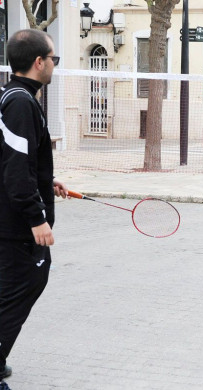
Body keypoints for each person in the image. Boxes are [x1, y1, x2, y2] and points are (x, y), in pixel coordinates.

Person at [0, 29, 68, 390]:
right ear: (38, 62)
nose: (55, 64)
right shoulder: (21, 103)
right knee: (18, 293)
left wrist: (48, 182)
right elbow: (15, 168)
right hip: (16, 226)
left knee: (14, 292)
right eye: (54, 58)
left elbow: (18, 160)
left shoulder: (16, 97)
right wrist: (37, 218)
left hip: (14, 219)